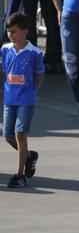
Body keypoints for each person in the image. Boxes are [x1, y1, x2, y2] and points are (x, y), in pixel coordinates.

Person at [3, 14, 43, 189]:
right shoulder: (5, 49)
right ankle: (29, 157)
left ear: (25, 31)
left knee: (20, 135)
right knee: (8, 135)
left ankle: (20, 175)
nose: (10, 35)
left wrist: (33, 91)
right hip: (9, 98)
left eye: (14, 31)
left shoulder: (34, 52)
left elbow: (39, 74)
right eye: (8, 32)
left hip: (25, 100)